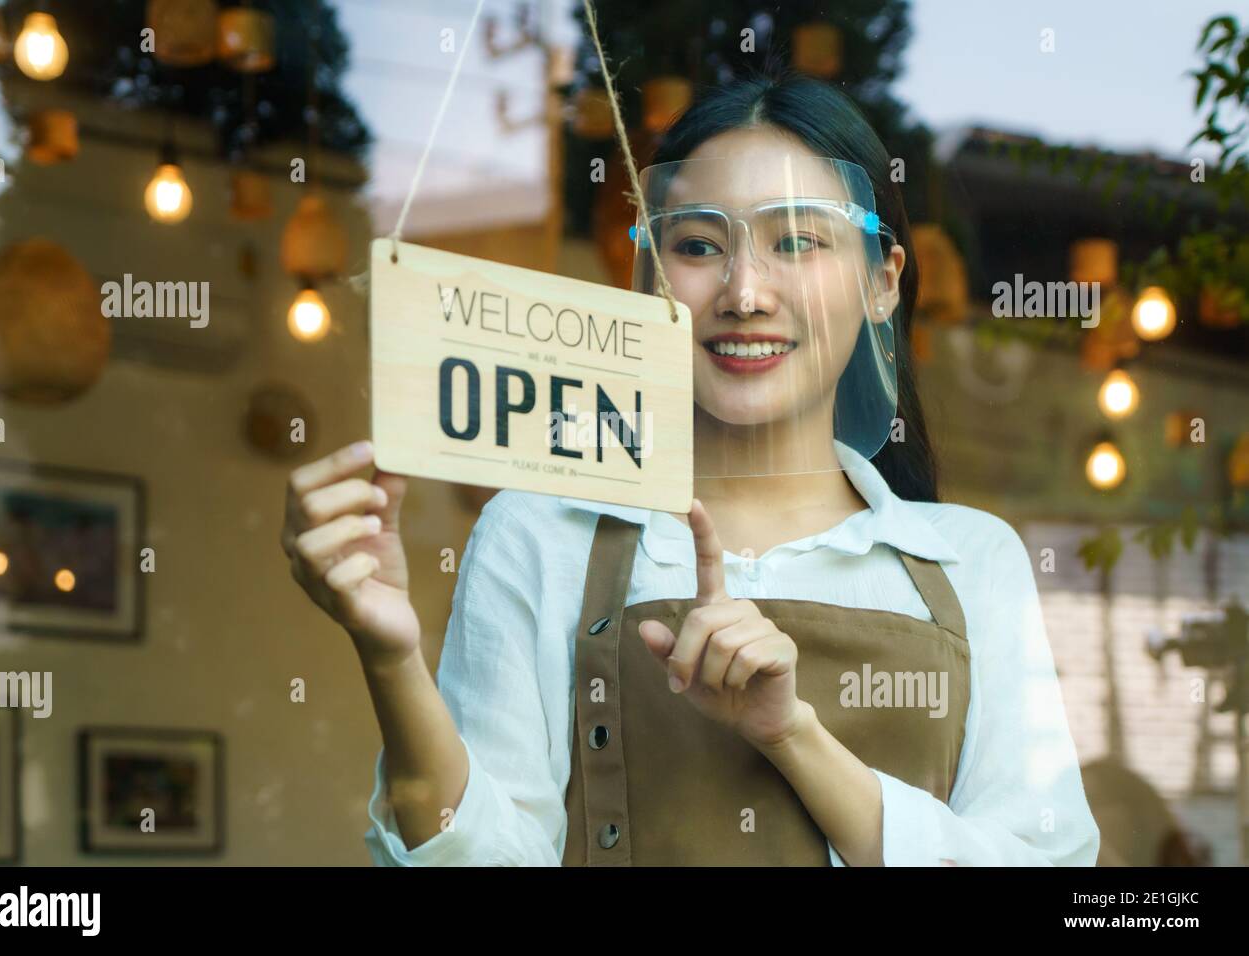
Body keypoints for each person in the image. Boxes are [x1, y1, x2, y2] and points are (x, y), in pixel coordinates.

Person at [281, 73, 1100, 866]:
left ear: (882, 283)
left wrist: (793, 736)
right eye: (700, 245)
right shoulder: (540, 528)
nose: (745, 292)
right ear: (652, 277)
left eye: (798, 241)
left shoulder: (973, 560)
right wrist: (390, 657)